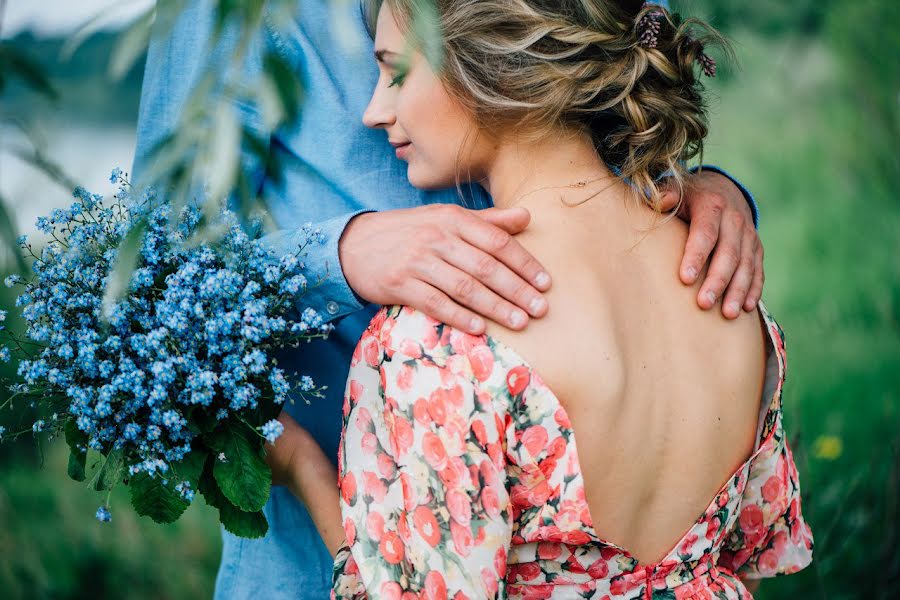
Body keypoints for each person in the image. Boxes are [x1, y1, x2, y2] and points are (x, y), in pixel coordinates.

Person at [133, 0, 765, 597]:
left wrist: (697, 187)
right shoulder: (747, 329)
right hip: (301, 566)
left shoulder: (425, 350)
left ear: (494, 64)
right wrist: (339, 257)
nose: (372, 111)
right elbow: (147, 287)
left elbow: (624, 97)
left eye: (395, 72)